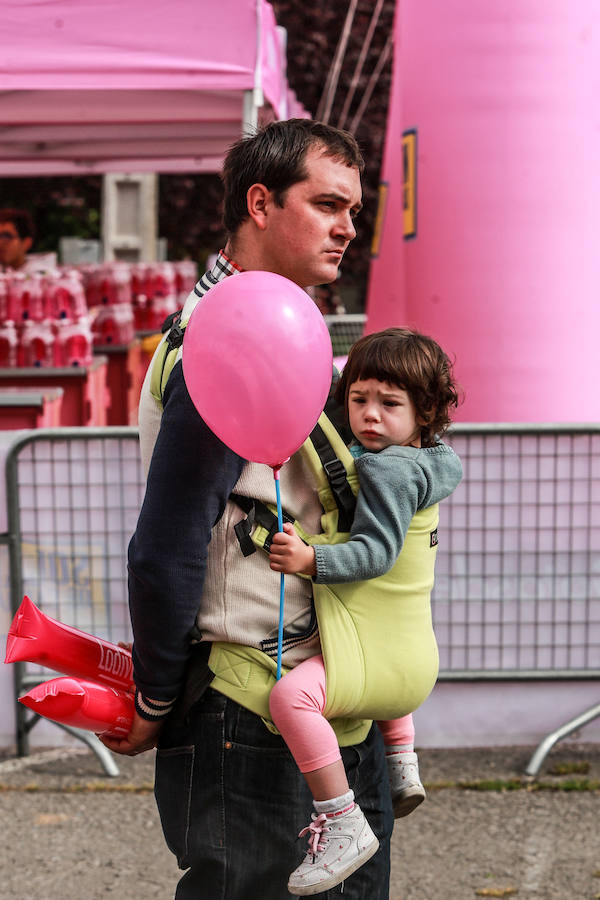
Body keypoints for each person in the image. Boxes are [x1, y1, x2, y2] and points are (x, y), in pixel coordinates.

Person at [100, 119, 395, 900]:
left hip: (320, 700)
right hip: (249, 715)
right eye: (328, 204)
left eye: (356, 212)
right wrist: (157, 698)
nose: (347, 229)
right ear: (260, 203)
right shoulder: (224, 338)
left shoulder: (274, 325)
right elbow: (165, 546)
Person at [267, 328, 462, 894]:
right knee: (370, 645)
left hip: (382, 664)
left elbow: (376, 552)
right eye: (359, 399)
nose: (369, 416)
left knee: (291, 698)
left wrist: (310, 559)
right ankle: (401, 760)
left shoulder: (386, 470)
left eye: (389, 404)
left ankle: (339, 817)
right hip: (409, 663)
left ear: (425, 412)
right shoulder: (434, 458)